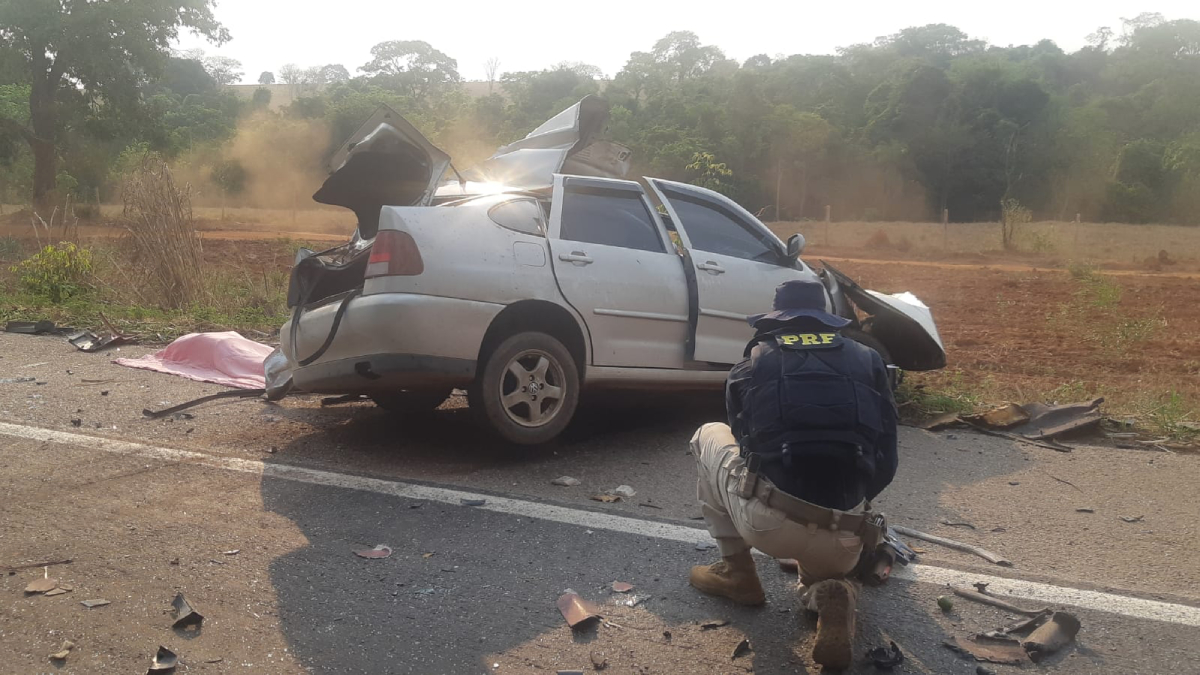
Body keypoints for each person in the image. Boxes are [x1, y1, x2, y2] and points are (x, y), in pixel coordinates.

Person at [688, 279, 898, 670]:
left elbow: (745, 444)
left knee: (708, 435)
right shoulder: (869, 360)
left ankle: (739, 575)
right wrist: (853, 505)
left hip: (769, 523)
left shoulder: (752, 362)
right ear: (827, 321)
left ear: (776, 322)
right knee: (826, 563)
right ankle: (831, 593)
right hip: (845, 532)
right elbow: (887, 460)